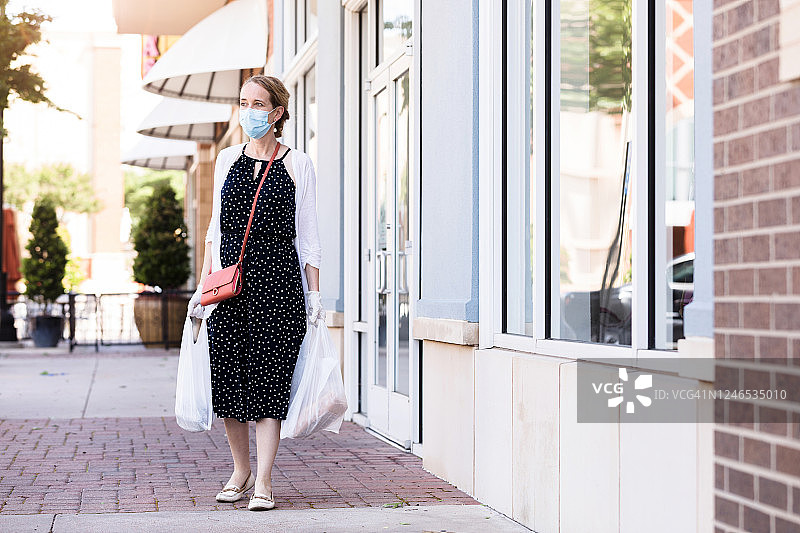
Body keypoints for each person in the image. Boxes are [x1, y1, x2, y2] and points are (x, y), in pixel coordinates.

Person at [187, 75, 324, 511]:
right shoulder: (226, 158)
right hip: (230, 288)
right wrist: (202, 288)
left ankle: (263, 480)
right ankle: (239, 469)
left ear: (277, 112)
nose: (249, 111)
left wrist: (315, 296)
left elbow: (308, 237)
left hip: (280, 287)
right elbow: (215, 229)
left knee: (269, 382)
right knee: (228, 381)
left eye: (258, 104)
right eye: (244, 102)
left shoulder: (298, 164)